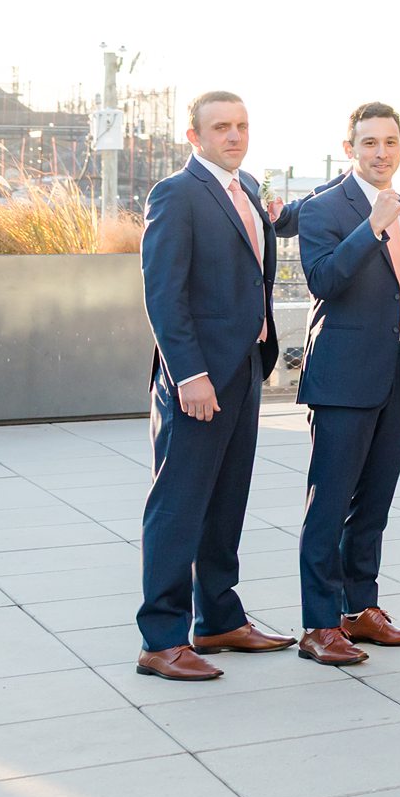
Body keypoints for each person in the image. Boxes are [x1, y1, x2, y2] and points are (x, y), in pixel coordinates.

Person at [134, 91, 296, 679]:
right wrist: (190, 375)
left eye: (242, 126)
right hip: (197, 379)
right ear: (193, 135)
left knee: (227, 501)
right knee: (179, 505)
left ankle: (219, 619)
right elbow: (164, 293)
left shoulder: (247, 188)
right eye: (221, 127)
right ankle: (162, 640)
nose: (234, 135)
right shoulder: (177, 194)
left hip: (245, 368)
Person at [290, 102, 400, 666]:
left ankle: (361, 609)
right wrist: (370, 226)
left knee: (374, 504)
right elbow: (324, 280)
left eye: (391, 142)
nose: (381, 152)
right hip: (343, 378)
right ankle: (318, 625)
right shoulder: (324, 208)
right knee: (327, 506)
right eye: (370, 142)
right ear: (350, 147)